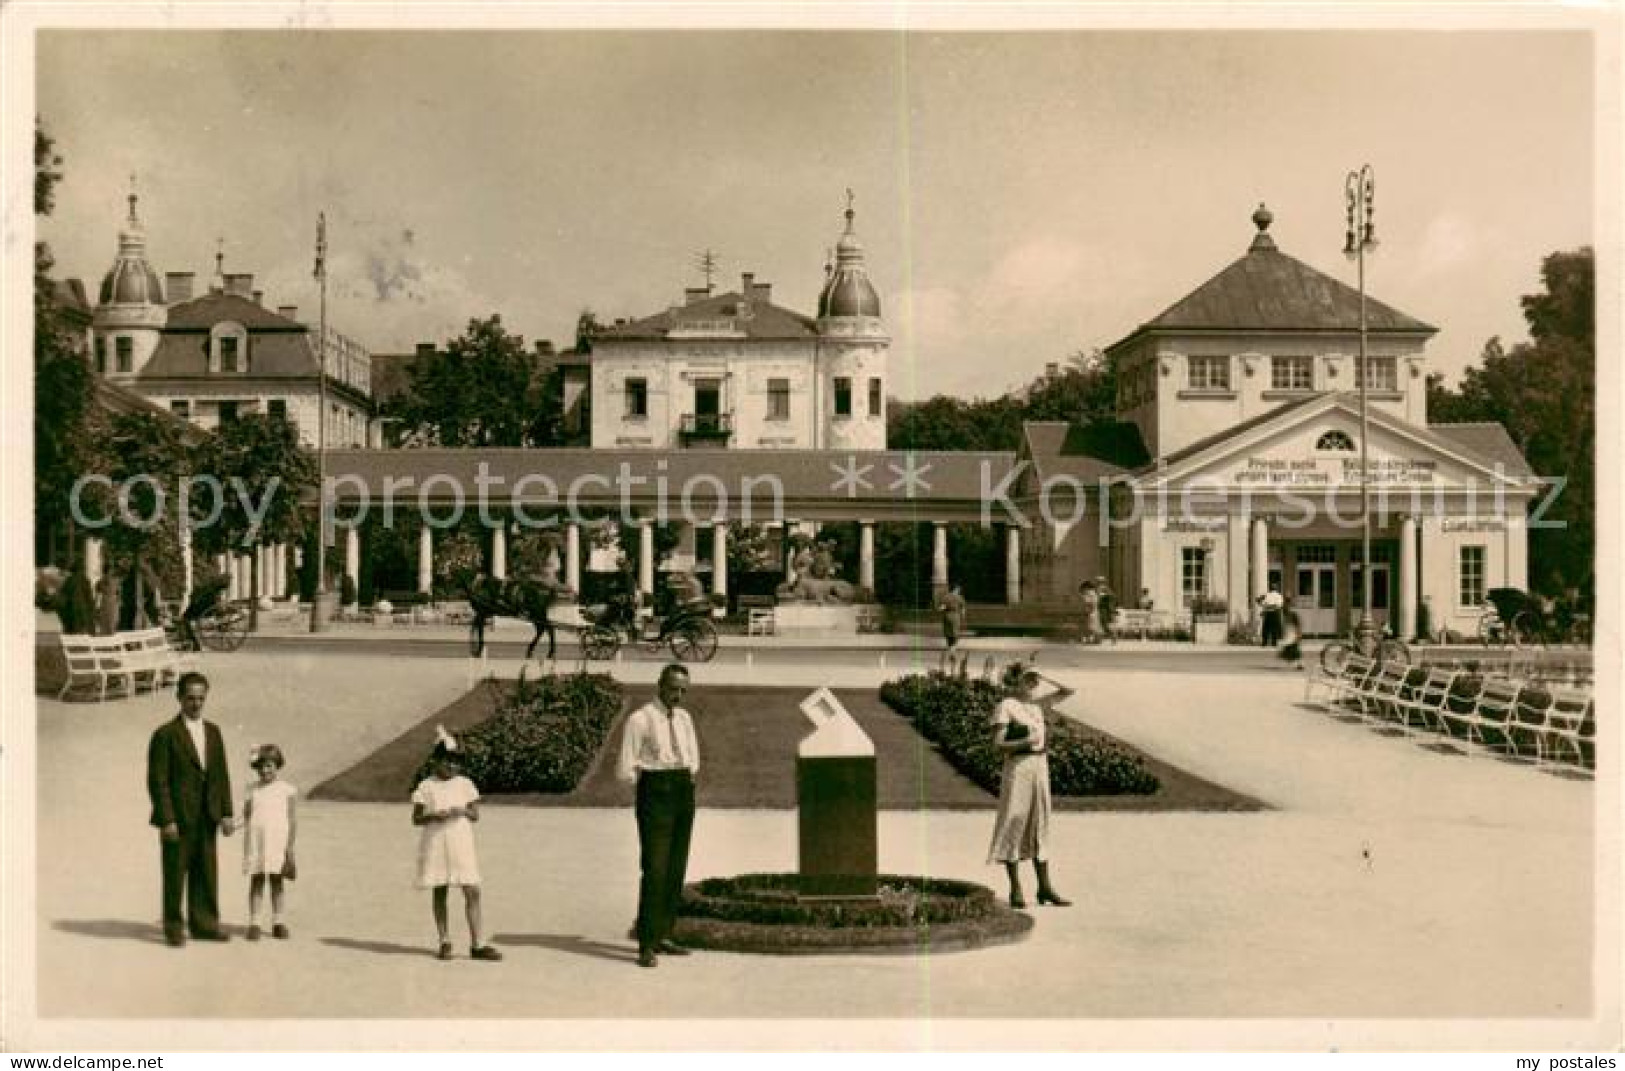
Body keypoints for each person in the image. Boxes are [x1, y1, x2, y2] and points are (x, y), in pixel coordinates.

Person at [616, 663, 701, 968]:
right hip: (656, 792)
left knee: (676, 866)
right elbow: (625, 768)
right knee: (655, 868)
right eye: (673, 689)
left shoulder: (684, 718)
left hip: (682, 790)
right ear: (659, 685)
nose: (677, 696)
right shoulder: (640, 719)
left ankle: (665, 933)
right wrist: (651, 782)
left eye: (683, 690)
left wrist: (688, 776)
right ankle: (646, 943)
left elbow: (693, 754)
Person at [147, 671, 236, 946]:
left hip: (207, 814)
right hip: (179, 817)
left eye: (201, 699)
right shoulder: (165, 735)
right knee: (175, 872)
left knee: (206, 871)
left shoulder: (213, 731)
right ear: (179, 698)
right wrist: (167, 819)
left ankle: (205, 924)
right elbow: (157, 781)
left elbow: (221, 774)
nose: (196, 704)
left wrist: (226, 813)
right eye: (190, 698)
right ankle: (174, 926)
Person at [988, 662, 1076, 908]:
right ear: (1015, 681)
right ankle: (1016, 888)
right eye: (1027, 679)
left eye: (1034, 680)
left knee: (1041, 821)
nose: (1032, 683)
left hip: (1040, 767)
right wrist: (1025, 741)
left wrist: (1045, 674)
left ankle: (1045, 888)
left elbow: (1070, 690)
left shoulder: (1039, 705)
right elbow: (997, 744)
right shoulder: (1006, 706)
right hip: (1018, 767)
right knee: (1014, 820)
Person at [412, 728, 501, 961]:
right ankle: (444, 940)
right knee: (440, 888)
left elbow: (475, 815)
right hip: (437, 842)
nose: (452, 768)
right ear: (436, 761)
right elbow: (416, 819)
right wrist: (434, 815)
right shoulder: (426, 786)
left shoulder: (464, 784)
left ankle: (478, 943)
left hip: (461, 843)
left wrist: (462, 810)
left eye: (456, 763)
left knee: (472, 889)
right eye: (447, 762)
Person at [242, 743, 298, 940]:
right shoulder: (251, 789)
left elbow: (291, 819)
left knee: (277, 881)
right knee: (256, 881)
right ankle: (255, 922)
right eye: (261, 766)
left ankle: (278, 922)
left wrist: (289, 846)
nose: (265, 770)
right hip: (257, 842)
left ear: (277, 766)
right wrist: (232, 825)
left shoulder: (287, 790)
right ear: (256, 768)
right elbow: (247, 816)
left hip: (277, 842)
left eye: (269, 766)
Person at [939, 584, 967, 653]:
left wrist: (944, 609)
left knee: (948, 632)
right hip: (955, 616)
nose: (959, 591)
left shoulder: (946, 597)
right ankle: (953, 649)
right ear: (956, 589)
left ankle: (950, 647)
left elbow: (942, 608)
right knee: (955, 633)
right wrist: (963, 617)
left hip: (947, 616)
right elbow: (963, 609)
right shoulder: (959, 597)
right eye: (959, 590)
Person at [1278, 597, 1303, 669]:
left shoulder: (1292, 613)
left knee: (1293, 647)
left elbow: (1297, 624)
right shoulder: (1285, 612)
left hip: (1291, 631)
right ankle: (1296, 663)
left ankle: (1298, 663)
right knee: (1289, 647)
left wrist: (1298, 633)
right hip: (1289, 631)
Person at [1078, 580, 1102, 645]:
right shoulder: (1094, 592)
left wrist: (1087, 609)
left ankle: (1090, 639)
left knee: (1089, 626)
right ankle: (1097, 639)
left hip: (1090, 610)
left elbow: (1087, 601)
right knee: (1095, 625)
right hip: (1095, 610)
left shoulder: (1087, 593)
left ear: (1086, 587)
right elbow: (1096, 601)